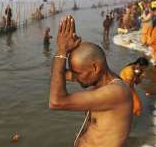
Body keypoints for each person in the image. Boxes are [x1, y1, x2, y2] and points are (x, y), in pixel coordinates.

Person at [49, 15, 132, 147]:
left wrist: (62, 50)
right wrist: (66, 50)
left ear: (95, 67)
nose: (74, 76)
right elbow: (58, 75)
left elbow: (56, 102)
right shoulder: (100, 80)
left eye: (77, 73)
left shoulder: (116, 92)